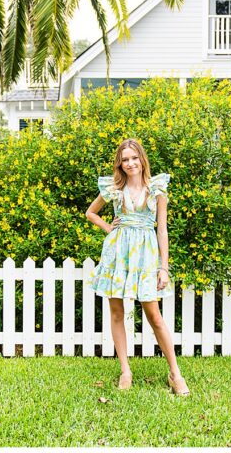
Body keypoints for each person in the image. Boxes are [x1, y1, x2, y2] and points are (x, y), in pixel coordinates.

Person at [85, 139, 189, 395]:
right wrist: (109, 228)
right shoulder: (114, 189)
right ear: (120, 164)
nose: (130, 163)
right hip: (117, 254)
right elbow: (90, 213)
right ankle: (125, 371)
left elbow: (162, 230)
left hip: (146, 255)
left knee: (154, 315)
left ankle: (175, 374)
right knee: (117, 312)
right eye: (125, 159)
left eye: (134, 158)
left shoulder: (157, 189)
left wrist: (164, 268)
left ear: (142, 160)